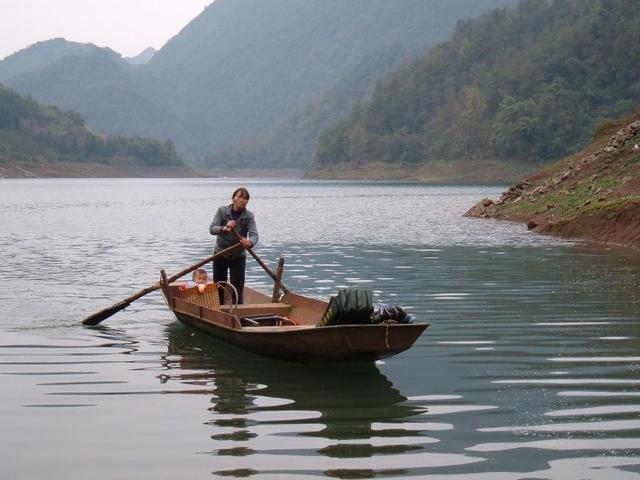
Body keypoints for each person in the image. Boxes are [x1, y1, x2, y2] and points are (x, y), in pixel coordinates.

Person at [209, 187, 259, 304]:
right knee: (219, 284)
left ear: (247, 201)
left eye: (245, 199)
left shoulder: (249, 216)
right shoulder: (222, 211)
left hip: (238, 255)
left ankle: (238, 311)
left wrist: (249, 242)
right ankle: (219, 309)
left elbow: (254, 235)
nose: (241, 200)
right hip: (220, 253)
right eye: (239, 197)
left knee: (238, 286)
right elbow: (212, 229)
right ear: (233, 198)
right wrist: (225, 228)